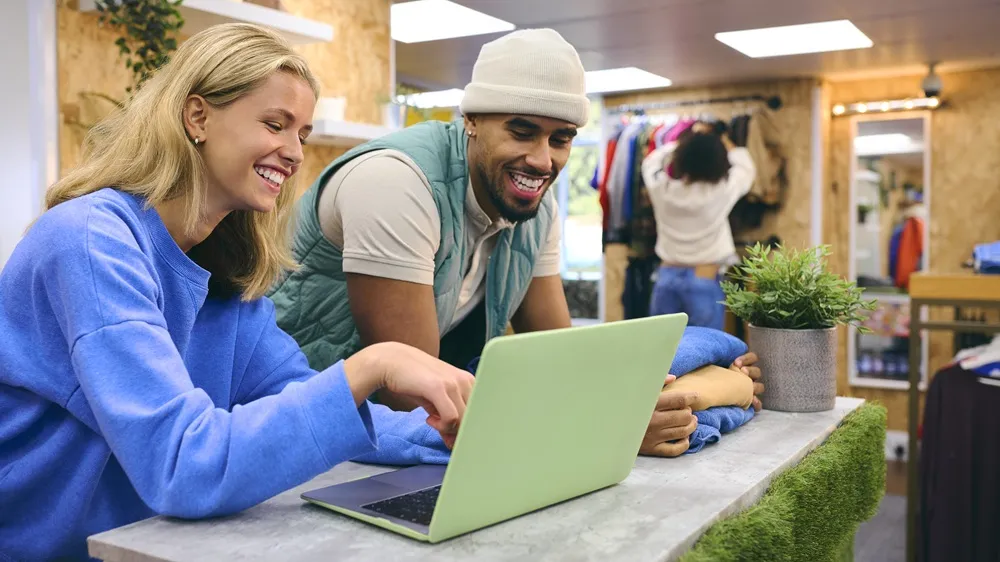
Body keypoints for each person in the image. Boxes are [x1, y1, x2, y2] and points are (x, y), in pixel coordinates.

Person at [0, 24, 474, 561]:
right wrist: (373, 365)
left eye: (303, 134)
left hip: (147, 544)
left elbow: (303, 398)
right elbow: (182, 465)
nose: (294, 153)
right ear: (197, 117)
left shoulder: (223, 272)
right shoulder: (89, 241)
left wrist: (466, 433)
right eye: (276, 124)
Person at [267, 28, 763, 457]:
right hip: (302, 420)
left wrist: (638, 396)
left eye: (561, 139)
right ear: (471, 119)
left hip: (413, 412)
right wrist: (607, 427)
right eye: (522, 131)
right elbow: (411, 400)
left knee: (681, 358)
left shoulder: (536, 209)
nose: (543, 161)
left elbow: (557, 355)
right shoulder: (395, 182)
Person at [641, 121, 757, 330]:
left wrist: (680, 144)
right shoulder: (721, 191)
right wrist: (724, 142)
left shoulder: (663, 189)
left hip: (666, 277)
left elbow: (650, 163)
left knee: (662, 346)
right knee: (705, 345)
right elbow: (745, 167)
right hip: (704, 277)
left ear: (681, 158)